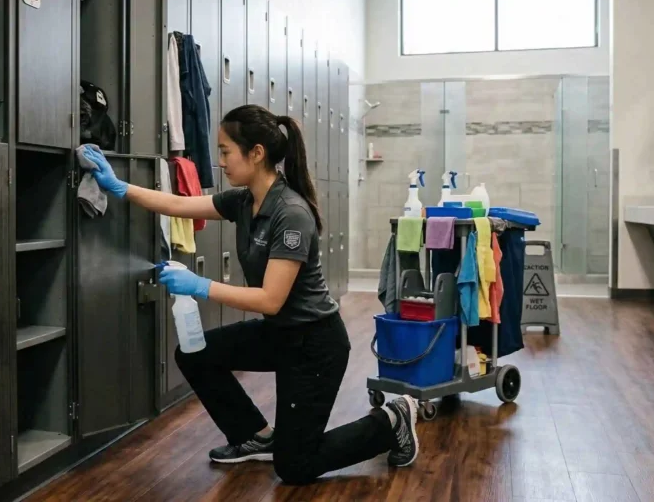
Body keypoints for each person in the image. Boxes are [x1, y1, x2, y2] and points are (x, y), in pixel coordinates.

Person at [83, 104, 419, 485]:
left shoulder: (290, 212)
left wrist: (200, 286)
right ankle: (254, 437)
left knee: (294, 466)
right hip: (280, 334)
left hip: (315, 346)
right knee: (194, 355)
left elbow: (270, 300)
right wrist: (119, 186)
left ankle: (391, 421)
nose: (220, 161)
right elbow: (178, 204)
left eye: (226, 151)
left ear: (256, 153)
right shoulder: (244, 201)